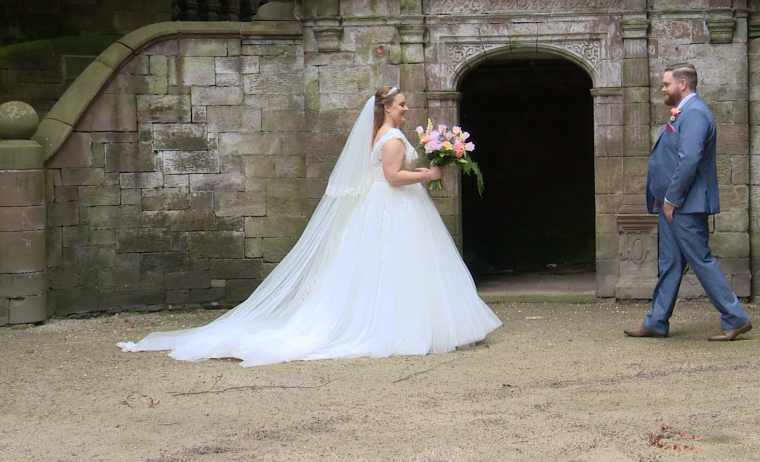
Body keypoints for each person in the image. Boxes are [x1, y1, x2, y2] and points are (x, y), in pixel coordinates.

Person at [118, 86, 502, 366]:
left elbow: (387, 173)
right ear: (386, 108)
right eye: (401, 105)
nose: (406, 109)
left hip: (386, 206)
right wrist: (428, 173)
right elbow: (391, 176)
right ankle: (402, 326)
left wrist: (422, 170)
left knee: (387, 267)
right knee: (398, 264)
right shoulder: (393, 138)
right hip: (394, 206)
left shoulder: (381, 135)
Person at [624, 64, 752, 342]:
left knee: (701, 261)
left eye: (666, 84)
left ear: (683, 84)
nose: (663, 89)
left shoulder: (694, 113)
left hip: (684, 205)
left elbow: (690, 158)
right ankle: (657, 321)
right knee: (669, 263)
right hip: (673, 205)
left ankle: (736, 318)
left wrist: (671, 199)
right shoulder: (686, 112)